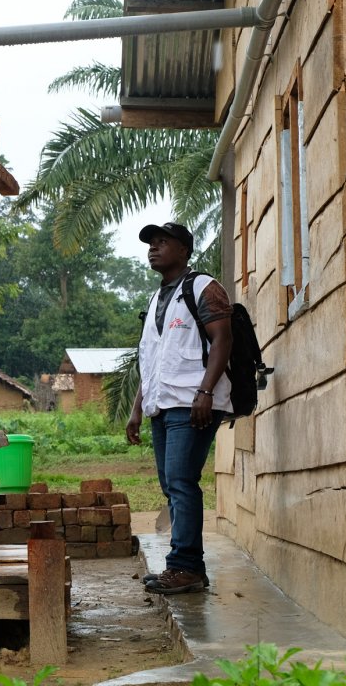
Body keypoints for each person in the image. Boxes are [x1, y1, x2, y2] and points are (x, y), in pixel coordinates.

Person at [125, 222, 233, 595]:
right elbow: (152, 360)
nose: (153, 249)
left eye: (162, 243)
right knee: (173, 485)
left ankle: (184, 567)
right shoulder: (157, 299)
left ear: (184, 251)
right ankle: (190, 568)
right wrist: (137, 408)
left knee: (182, 483)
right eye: (151, 244)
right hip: (162, 406)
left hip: (193, 404)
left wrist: (205, 392)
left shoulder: (203, 287)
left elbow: (223, 340)